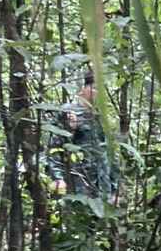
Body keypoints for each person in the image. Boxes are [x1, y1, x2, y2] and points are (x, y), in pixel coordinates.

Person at [47, 71, 114, 201]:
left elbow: (110, 154)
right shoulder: (68, 112)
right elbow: (54, 147)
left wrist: (115, 188)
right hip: (76, 180)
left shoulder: (101, 116)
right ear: (82, 90)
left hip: (102, 184)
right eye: (95, 88)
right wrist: (57, 177)